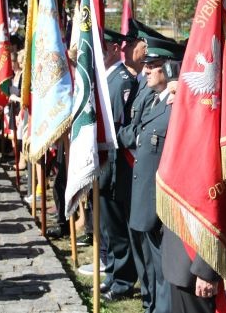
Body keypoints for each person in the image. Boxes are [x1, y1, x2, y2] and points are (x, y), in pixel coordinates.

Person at [117, 39, 184, 313]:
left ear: (168, 70)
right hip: (145, 197)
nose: (145, 72)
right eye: (146, 66)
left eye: (153, 66)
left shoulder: (176, 108)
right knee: (151, 265)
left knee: (162, 267)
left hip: (161, 203)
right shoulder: (157, 101)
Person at [80, 29, 140, 301]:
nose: (96, 54)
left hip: (116, 166)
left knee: (118, 229)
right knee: (106, 226)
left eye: (102, 48)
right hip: (102, 164)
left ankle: (123, 283)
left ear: (116, 48)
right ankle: (112, 274)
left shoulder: (123, 80)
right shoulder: (102, 79)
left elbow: (120, 127)